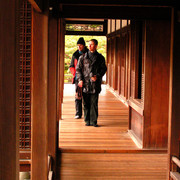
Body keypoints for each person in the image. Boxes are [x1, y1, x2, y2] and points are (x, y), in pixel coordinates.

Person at [76, 39, 107, 127]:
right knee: (85, 103)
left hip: (95, 83)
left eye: (92, 44)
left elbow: (103, 69)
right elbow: (78, 69)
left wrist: (97, 76)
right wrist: (80, 80)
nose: (89, 46)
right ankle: (87, 120)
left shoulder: (100, 57)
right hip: (85, 83)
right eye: (89, 44)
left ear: (96, 46)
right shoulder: (83, 57)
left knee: (94, 103)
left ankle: (93, 121)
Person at [69, 37, 88, 119]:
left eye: (80, 45)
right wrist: (75, 74)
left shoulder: (88, 53)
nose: (79, 47)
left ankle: (87, 114)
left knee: (87, 96)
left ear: (84, 45)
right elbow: (71, 66)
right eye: (78, 45)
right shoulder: (75, 54)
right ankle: (78, 113)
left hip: (87, 78)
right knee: (78, 95)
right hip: (78, 78)